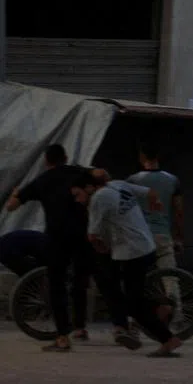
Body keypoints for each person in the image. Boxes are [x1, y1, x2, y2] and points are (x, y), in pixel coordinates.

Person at [6, 145, 104, 351]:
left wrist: (15, 194)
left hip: (57, 237)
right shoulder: (77, 172)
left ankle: (62, 337)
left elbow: (11, 206)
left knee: (56, 285)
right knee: (81, 281)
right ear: (65, 158)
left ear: (46, 161)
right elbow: (101, 175)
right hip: (83, 235)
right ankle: (82, 327)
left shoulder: (42, 180)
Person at [81, 173, 181, 357]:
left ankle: (167, 337)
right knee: (130, 294)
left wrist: (101, 248)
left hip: (131, 252)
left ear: (89, 187)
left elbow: (92, 236)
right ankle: (157, 309)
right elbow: (151, 193)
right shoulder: (119, 184)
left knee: (133, 304)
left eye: (78, 195)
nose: (78, 199)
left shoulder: (98, 199)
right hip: (145, 245)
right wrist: (156, 203)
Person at [127, 144, 184, 270]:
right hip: (162, 234)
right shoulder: (172, 180)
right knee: (169, 275)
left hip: (140, 235)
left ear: (141, 157)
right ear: (158, 157)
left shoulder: (132, 180)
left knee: (138, 275)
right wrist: (178, 237)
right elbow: (179, 211)